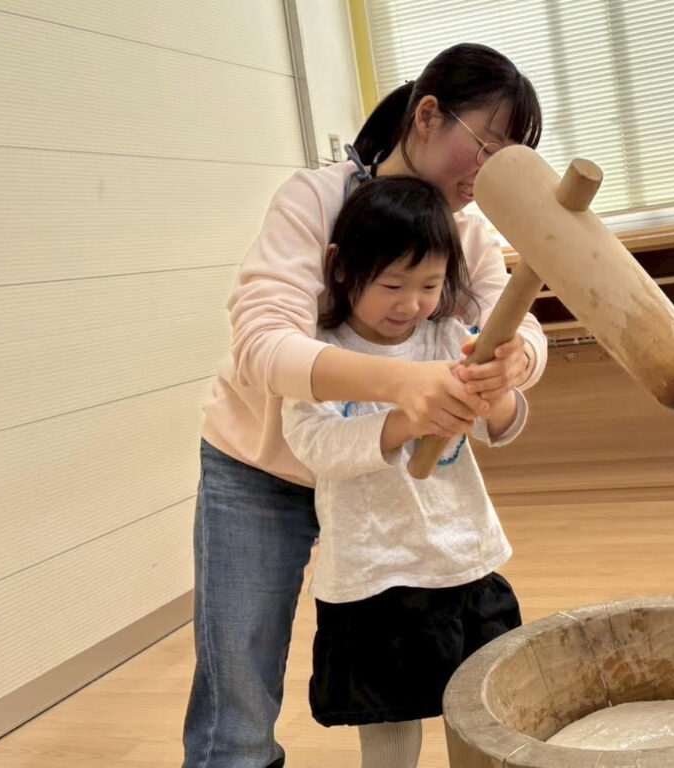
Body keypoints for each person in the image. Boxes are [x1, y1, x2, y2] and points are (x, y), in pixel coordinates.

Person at [183, 43, 545, 768]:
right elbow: (262, 345)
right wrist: (402, 390)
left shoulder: (467, 230)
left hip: (385, 490)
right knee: (239, 705)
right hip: (262, 467)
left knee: (429, 686)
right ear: (427, 116)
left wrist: (514, 364)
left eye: (508, 159)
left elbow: (517, 329)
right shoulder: (315, 201)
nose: (487, 174)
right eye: (484, 147)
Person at [281, 175, 526, 768]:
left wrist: (497, 393)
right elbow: (314, 446)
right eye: (392, 284)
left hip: (462, 559)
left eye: (430, 285)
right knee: (390, 726)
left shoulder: (448, 338)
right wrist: (403, 421)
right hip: (374, 576)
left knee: (487, 714)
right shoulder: (319, 354)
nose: (411, 304)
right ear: (342, 268)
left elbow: (503, 426)